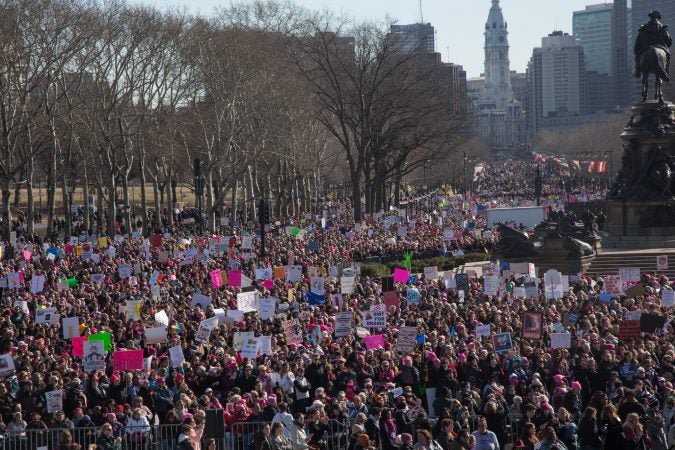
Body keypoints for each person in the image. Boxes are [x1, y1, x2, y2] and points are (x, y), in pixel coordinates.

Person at [634, 10, 673, 79]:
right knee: (668, 56)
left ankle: (638, 70)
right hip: (660, 46)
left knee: (638, 56)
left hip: (646, 47)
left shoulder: (644, 28)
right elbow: (669, 41)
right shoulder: (662, 27)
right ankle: (666, 70)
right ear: (657, 17)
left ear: (650, 18)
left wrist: (637, 51)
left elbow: (638, 43)